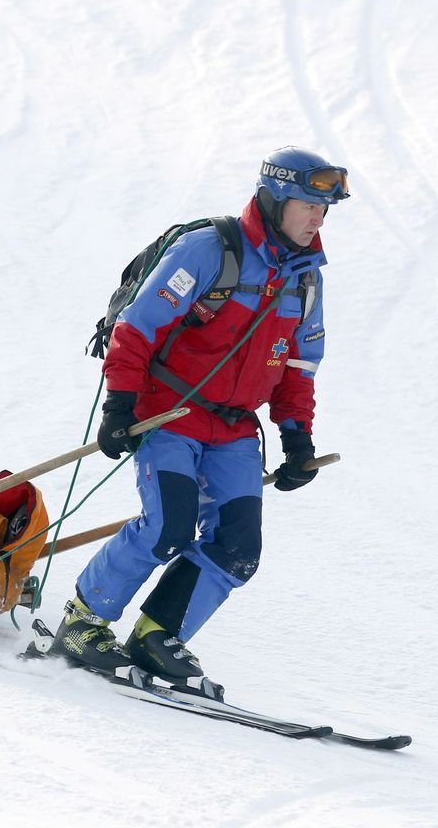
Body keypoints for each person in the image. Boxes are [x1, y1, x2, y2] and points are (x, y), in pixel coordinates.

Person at [51, 146, 350, 680]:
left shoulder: (306, 279)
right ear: (276, 197)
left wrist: (297, 441)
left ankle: (158, 634)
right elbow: (138, 328)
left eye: (324, 210)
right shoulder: (211, 249)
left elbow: (299, 366)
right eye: (307, 205)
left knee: (238, 547)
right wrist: (120, 403)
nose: (316, 219)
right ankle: (84, 618)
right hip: (167, 412)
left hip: (233, 427)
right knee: (168, 525)